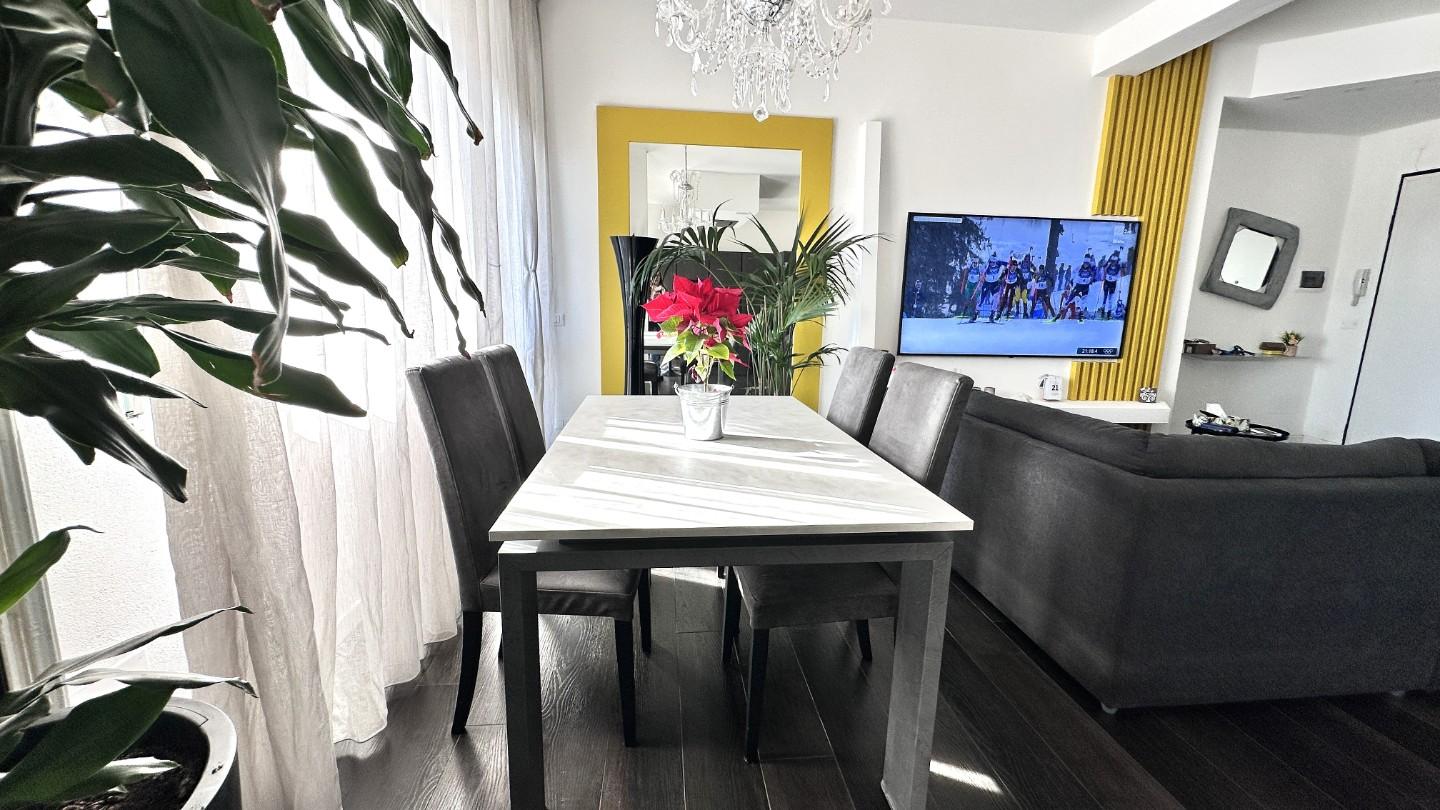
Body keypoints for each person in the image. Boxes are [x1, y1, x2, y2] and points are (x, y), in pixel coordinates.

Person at [1054, 251, 1097, 323]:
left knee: (1083, 302)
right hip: (1078, 286)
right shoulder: (1079, 268)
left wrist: (1093, 279)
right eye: (1085, 263)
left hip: (1086, 287)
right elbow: (1073, 274)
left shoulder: (1091, 269)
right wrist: (1071, 281)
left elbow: (1095, 276)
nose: (1086, 265)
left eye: (1087, 263)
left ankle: (1080, 315)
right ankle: (1058, 315)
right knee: (1069, 301)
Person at [977, 251, 1005, 323]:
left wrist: (1008, 266)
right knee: (981, 298)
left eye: (994, 262)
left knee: (996, 298)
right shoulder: (987, 265)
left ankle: (992, 315)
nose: (992, 263)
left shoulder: (999, 263)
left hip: (995, 283)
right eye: (991, 262)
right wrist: (982, 273)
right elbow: (981, 270)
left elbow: (1007, 264)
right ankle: (976, 313)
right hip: (987, 283)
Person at [1101, 249, 1125, 319]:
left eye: (1114, 262)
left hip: (1113, 283)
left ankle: (1109, 312)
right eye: (1112, 261)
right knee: (1105, 297)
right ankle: (1103, 310)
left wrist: (1122, 268)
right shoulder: (1108, 264)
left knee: (1110, 298)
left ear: (1116, 261)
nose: (1113, 263)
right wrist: (1104, 276)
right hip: (1107, 282)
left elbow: (1122, 274)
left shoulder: (1118, 266)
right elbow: (1104, 269)